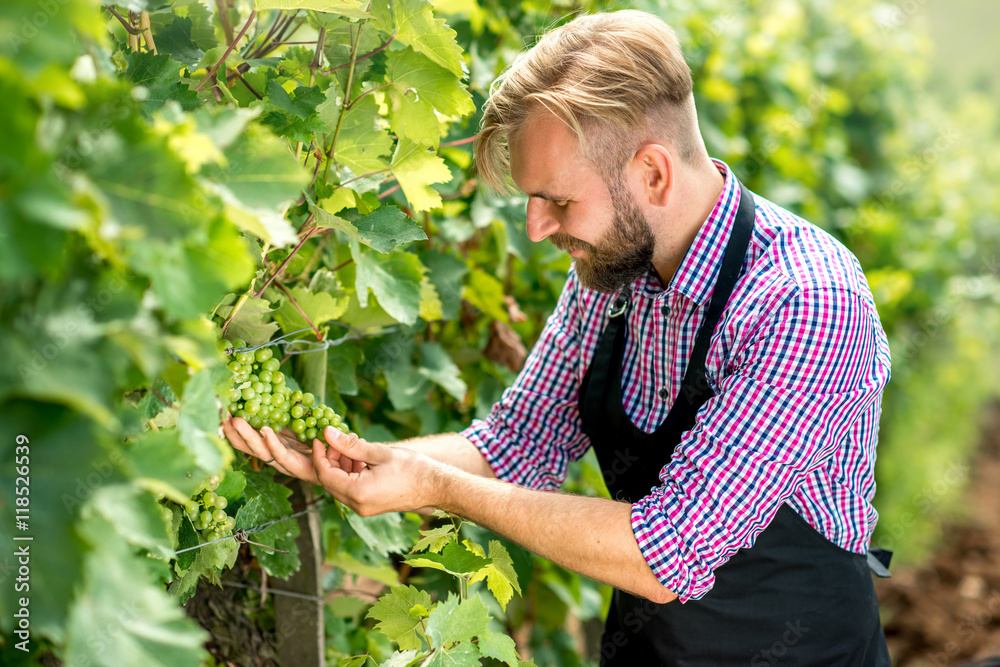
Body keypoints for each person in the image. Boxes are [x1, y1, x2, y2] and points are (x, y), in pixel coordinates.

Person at [224, 10, 894, 665]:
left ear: (653, 173)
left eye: (557, 200)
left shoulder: (807, 303)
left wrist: (439, 486)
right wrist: (358, 458)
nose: (537, 228)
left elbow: (669, 552)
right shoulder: (611, 271)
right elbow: (517, 445)